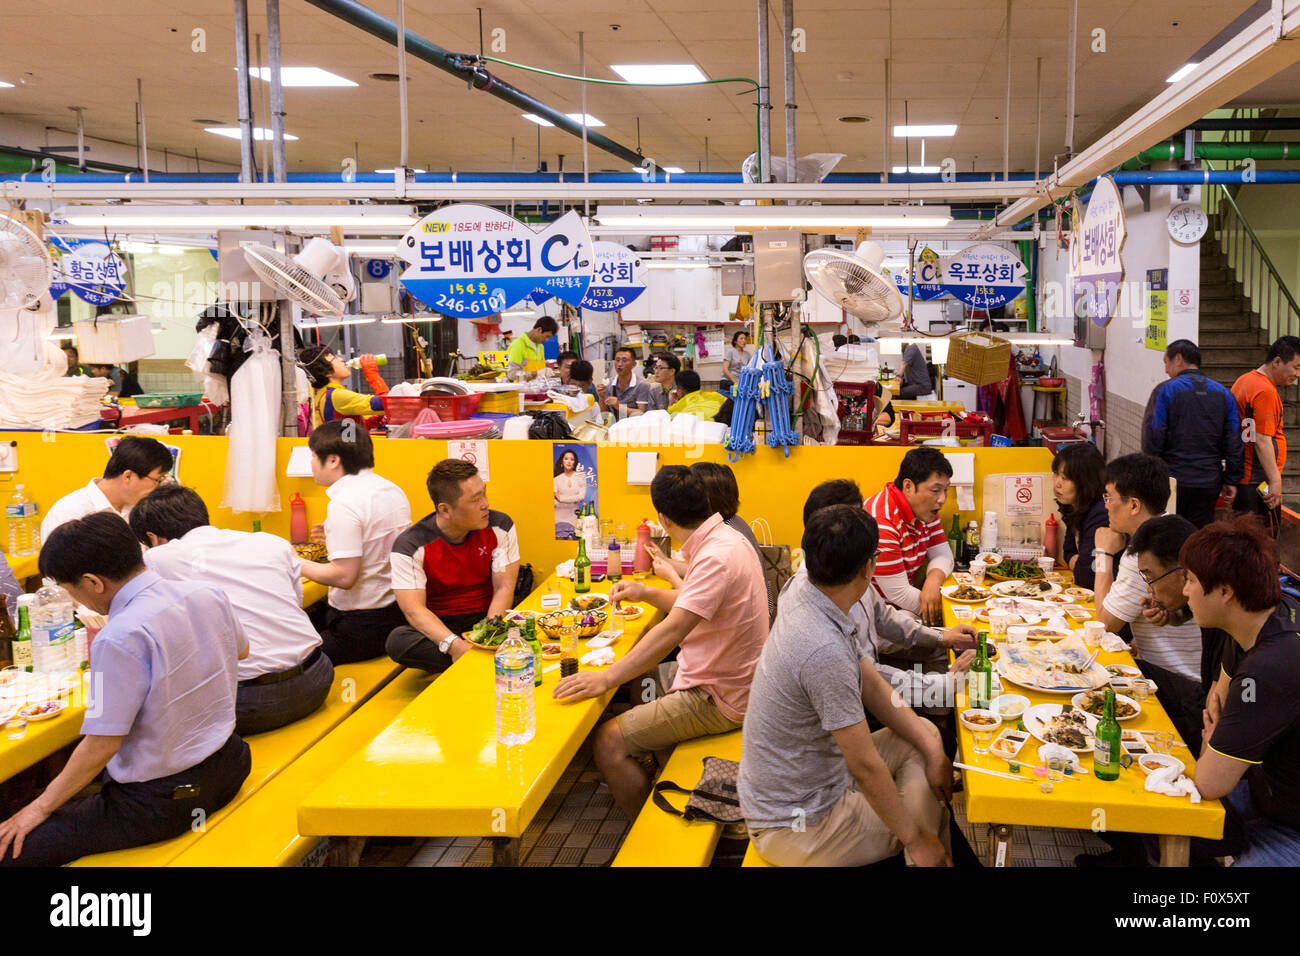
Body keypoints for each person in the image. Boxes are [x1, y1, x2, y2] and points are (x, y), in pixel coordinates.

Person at [0, 513, 250, 867]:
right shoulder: (205, 591)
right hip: (232, 763)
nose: (75, 601)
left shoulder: (117, 637)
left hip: (165, 800)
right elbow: (242, 650)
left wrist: (36, 809)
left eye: (72, 592)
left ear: (93, 582)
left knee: (15, 846)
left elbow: (102, 743)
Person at [738, 504, 953, 867]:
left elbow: (869, 682)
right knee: (921, 826)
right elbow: (865, 766)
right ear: (870, 566)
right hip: (795, 821)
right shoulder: (821, 647)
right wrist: (915, 837)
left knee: (924, 736)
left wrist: (933, 751)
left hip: (818, 773)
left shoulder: (812, 592)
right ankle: (925, 851)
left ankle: (928, 847)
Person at [552, 465, 768, 821]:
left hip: (721, 697)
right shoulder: (727, 539)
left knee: (606, 741)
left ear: (664, 520)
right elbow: (694, 605)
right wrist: (644, 591)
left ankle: (651, 828)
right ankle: (653, 765)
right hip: (737, 683)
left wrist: (606, 678)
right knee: (645, 680)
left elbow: (673, 629)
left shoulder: (716, 555)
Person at [128, 485, 333, 736]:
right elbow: (296, 601)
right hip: (318, 678)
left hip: (252, 703)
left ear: (153, 538)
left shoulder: (159, 558)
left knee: (143, 718)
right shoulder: (272, 543)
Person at [798, 481, 976, 725]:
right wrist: (943, 685)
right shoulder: (816, 604)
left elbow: (882, 615)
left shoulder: (845, 568)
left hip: (865, 686)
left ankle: (941, 725)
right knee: (927, 733)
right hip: (842, 719)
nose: (868, 532)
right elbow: (866, 677)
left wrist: (942, 636)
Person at [1182, 518, 1300, 866]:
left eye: (1190, 580)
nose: (1185, 590)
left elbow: (1209, 783)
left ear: (1225, 591)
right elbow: (1214, 703)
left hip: (1289, 827)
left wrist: (1214, 739)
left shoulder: (1269, 668)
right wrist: (1216, 736)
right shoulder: (1264, 618)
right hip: (1266, 792)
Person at [386, 460, 520, 674]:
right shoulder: (410, 545)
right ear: (445, 510)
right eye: (475, 499)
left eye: (484, 494)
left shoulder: (500, 526)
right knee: (398, 641)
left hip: (488, 616)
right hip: (441, 626)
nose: (485, 504)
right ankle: (480, 662)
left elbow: (504, 587)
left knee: (525, 623)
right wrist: (455, 645)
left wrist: (488, 637)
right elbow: (414, 610)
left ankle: (479, 660)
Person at [299, 422, 412, 664]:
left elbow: (344, 577)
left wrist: (293, 561)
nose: (311, 464)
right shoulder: (391, 489)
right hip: (396, 615)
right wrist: (337, 543)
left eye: (312, 456)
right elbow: (379, 548)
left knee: (289, 657)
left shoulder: (344, 503)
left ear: (332, 461)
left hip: (359, 629)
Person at [1128, 514, 1231, 755]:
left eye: (1150, 576)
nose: (1147, 587)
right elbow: (1189, 611)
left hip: (1215, 719)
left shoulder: (1232, 614)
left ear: (1183, 570)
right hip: (1204, 693)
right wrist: (1173, 615)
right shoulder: (1212, 590)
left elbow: (1218, 710)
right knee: (1132, 674)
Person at [1093, 453, 1201, 683]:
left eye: (1109, 497)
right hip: (1178, 673)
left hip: (1178, 682)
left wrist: (1103, 554)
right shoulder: (1173, 528)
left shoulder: (1145, 553)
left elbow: (1104, 624)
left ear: (1133, 505)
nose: (1106, 506)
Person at [645, 462, 778, 623]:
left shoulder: (723, 538)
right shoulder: (732, 524)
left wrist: (670, 577)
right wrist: (667, 562)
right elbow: (704, 574)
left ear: (705, 498)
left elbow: (691, 604)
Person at [1141, 339, 1244, 529]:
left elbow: (1153, 437)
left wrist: (1152, 475)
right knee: (1199, 535)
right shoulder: (1224, 394)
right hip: (1208, 481)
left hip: (1173, 480)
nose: (1165, 370)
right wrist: (1231, 478)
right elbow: (1234, 440)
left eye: (1166, 362)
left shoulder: (1165, 391)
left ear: (1178, 359)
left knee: (1169, 532)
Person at [863, 447, 954, 626]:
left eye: (946, 490)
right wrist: (947, 615)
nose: (942, 499)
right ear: (908, 486)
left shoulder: (925, 510)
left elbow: (943, 554)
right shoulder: (882, 522)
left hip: (903, 607)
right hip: (875, 615)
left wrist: (933, 581)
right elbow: (899, 594)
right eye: (935, 490)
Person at [40, 435, 174, 542]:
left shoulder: (137, 510)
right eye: (157, 480)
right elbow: (61, 573)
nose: (157, 487)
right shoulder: (71, 513)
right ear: (128, 476)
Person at [1231, 335, 1300, 536]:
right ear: (1277, 361)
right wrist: (1275, 481)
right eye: (1295, 367)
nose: (1297, 374)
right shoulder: (1265, 391)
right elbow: (1262, 439)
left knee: (1244, 540)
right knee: (1263, 544)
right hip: (1258, 481)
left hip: (1246, 479)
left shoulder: (1245, 380)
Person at [1052, 442, 1108, 589]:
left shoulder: (1101, 514)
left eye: (1065, 478)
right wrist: (1077, 561)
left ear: (1085, 481)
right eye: (1056, 474)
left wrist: (1079, 563)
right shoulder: (1075, 506)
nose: (1057, 483)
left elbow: (1087, 576)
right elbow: (1068, 552)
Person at [298, 346, 388, 431]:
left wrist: (366, 424)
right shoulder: (337, 395)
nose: (341, 359)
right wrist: (372, 374)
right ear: (325, 371)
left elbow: (345, 435)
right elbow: (389, 405)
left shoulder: (321, 394)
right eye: (334, 358)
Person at [598, 346, 649, 420]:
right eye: (617, 360)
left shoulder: (641, 384)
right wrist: (601, 397)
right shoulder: (609, 383)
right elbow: (604, 414)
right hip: (613, 424)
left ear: (634, 364)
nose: (619, 364)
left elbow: (641, 412)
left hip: (633, 425)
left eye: (624, 360)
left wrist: (619, 406)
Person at [553, 448, 587, 539]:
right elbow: (554, 498)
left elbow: (581, 497)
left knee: (574, 541)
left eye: (572, 459)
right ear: (562, 461)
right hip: (558, 516)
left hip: (574, 516)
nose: (569, 462)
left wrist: (561, 498)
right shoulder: (556, 480)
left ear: (575, 462)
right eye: (566, 459)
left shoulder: (581, 477)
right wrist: (558, 499)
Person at [721, 330, 752, 394]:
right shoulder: (730, 351)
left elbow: (749, 370)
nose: (744, 341)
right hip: (728, 381)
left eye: (745, 339)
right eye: (741, 339)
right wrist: (735, 382)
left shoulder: (747, 355)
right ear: (735, 341)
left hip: (740, 382)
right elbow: (725, 369)